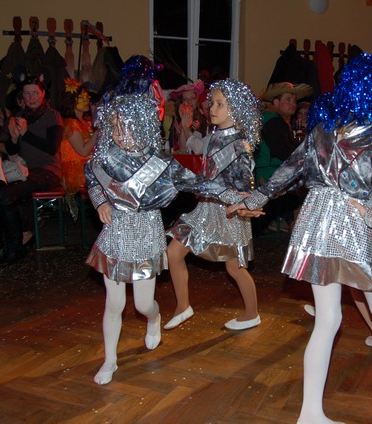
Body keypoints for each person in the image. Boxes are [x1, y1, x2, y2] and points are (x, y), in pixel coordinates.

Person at [230, 54, 372, 422]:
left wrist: (255, 199)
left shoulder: (324, 129)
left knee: (327, 320)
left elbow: (290, 169)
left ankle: (311, 413)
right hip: (353, 224)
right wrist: (371, 215)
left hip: (317, 218)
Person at [85, 56, 244, 385]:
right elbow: (91, 177)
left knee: (144, 304)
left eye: (124, 127)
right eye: (113, 127)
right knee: (114, 303)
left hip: (146, 232)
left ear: (142, 125)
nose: (118, 134)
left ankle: (154, 319)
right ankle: (110, 360)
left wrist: (238, 198)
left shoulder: (161, 164)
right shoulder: (106, 156)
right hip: (115, 233)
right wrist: (100, 201)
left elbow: (201, 184)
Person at [165, 78, 262, 331]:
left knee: (235, 268)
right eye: (212, 103)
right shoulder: (214, 136)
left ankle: (252, 313)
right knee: (173, 252)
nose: (212, 108)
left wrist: (242, 203)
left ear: (236, 109)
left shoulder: (240, 146)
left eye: (220, 104)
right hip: (205, 209)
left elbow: (245, 186)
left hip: (229, 214)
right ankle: (183, 306)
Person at [0, 76, 64, 266]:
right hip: (23, 169)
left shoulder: (52, 115)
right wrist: (14, 138)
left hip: (47, 171)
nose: (31, 97)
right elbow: (12, 150)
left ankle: (16, 247)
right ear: (22, 96)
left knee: (5, 196)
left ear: (43, 94)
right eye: (27, 94)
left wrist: (26, 133)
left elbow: (52, 148)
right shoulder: (19, 116)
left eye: (35, 93)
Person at [254, 82, 313, 234]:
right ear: (275, 102)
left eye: (294, 100)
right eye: (288, 99)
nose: (293, 104)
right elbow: (283, 151)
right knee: (307, 191)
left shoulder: (278, 121)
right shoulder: (273, 121)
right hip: (272, 173)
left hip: (277, 171)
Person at [59, 77, 96, 218]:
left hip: (88, 164)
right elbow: (83, 150)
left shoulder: (86, 121)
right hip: (76, 169)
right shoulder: (70, 124)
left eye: (87, 97)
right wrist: (98, 132)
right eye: (81, 97)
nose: (86, 100)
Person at [169, 80, 207, 152]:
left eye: (193, 98)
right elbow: (183, 148)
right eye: (185, 99)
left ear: (197, 100)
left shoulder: (204, 117)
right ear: (181, 102)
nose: (189, 102)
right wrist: (184, 121)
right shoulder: (176, 120)